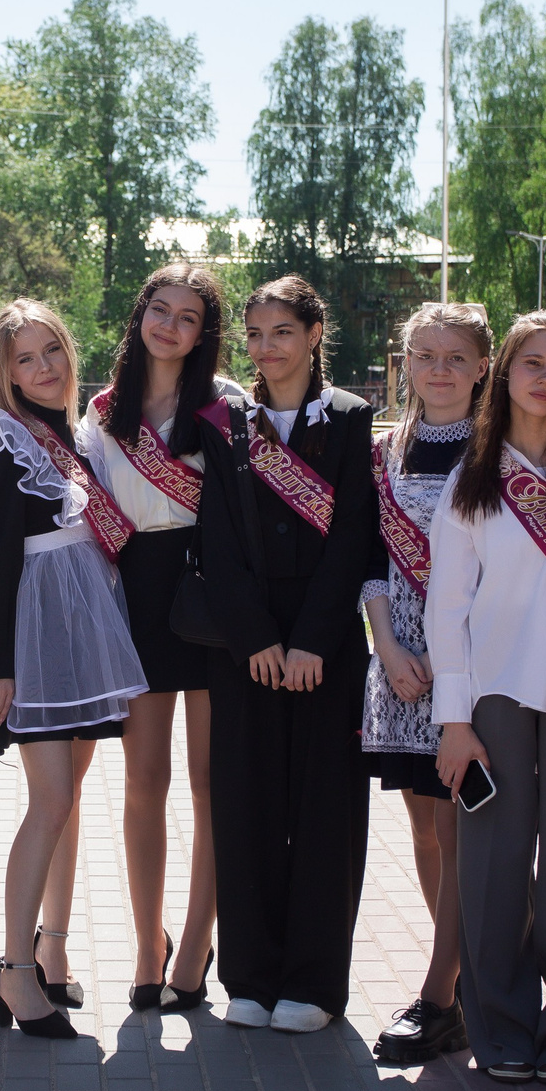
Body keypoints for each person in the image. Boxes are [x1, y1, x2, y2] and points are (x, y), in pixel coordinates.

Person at [426, 310, 546, 1088]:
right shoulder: (474, 475)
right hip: (492, 695)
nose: (544, 377)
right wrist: (455, 721)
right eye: (530, 362)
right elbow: (446, 607)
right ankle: (498, 1024)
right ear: (504, 372)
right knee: (495, 863)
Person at [191, 276, 378, 1034]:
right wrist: (257, 637)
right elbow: (217, 541)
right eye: (257, 334)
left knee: (326, 809)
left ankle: (314, 979)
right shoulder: (225, 422)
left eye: (283, 332)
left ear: (314, 334)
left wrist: (311, 640)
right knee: (245, 804)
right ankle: (251, 972)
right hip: (249, 646)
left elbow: (355, 537)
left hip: (324, 646)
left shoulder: (351, 420)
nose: (268, 348)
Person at [0, 300, 147, 1039]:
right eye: (25, 358)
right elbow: (0, 561)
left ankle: (52, 952)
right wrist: (0, 664)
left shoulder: (75, 436)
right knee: (48, 800)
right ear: (5, 372)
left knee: (68, 797)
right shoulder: (8, 443)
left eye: (52, 351)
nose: (43, 368)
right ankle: (13, 970)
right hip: (35, 633)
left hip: (83, 624)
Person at [78, 264, 237, 1013]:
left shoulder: (227, 407)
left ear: (205, 333)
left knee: (211, 783)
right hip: (134, 593)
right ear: (140, 314)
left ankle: (199, 940)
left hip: (207, 596)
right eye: (159, 309)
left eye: (189, 317)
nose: (170, 325)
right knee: (144, 781)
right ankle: (149, 942)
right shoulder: (104, 411)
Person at [361, 302, 489, 1066]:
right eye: (424, 355)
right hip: (399, 667)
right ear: (404, 363)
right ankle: (471, 973)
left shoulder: (500, 448)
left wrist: (449, 659)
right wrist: (386, 640)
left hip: (467, 668)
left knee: (457, 828)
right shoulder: (384, 451)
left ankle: (442, 993)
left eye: (455, 356)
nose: (439, 369)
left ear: (481, 366)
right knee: (425, 828)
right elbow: (367, 554)